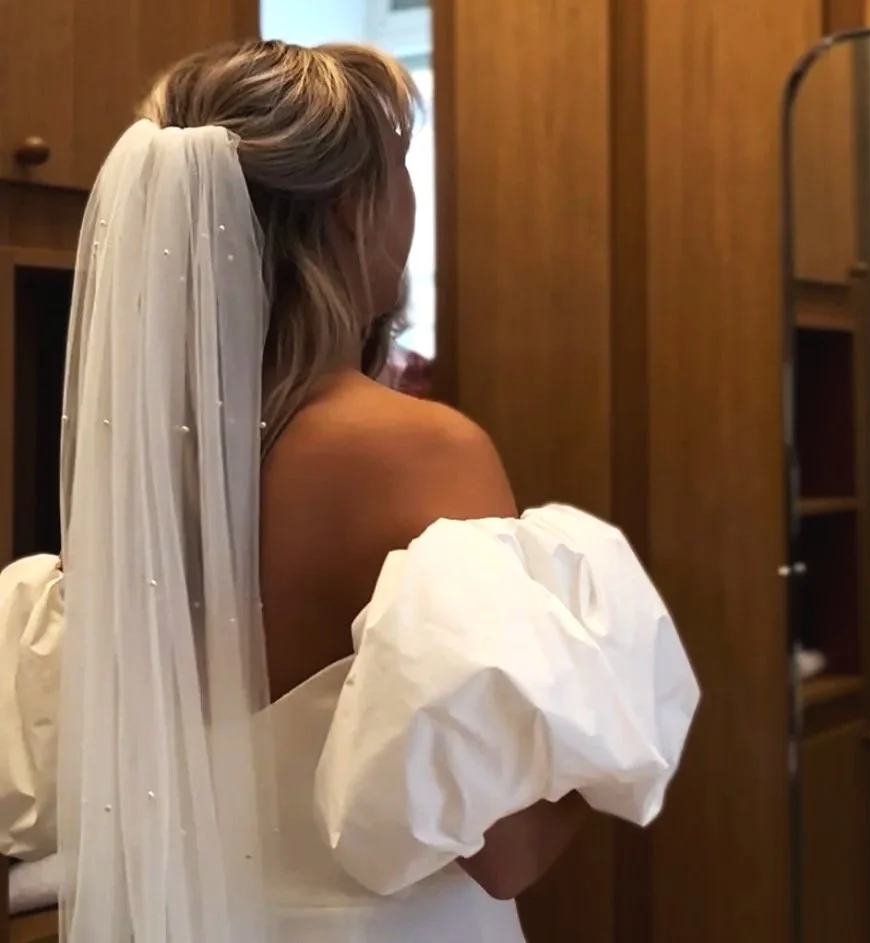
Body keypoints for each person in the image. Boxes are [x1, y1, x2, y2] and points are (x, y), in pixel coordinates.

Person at [0, 40, 698, 942]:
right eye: (402, 173)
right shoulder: (417, 451)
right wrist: (611, 704)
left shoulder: (137, 472)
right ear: (347, 213)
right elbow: (505, 849)